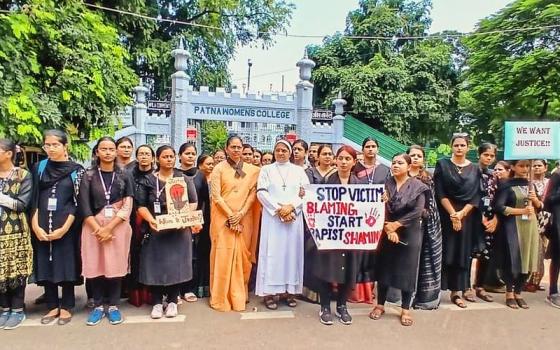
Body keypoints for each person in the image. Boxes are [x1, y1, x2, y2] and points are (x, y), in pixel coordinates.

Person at [137, 145, 200, 319]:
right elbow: (141, 205)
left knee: (176, 266)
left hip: (179, 230)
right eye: (165, 156)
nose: (169, 159)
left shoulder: (184, 178)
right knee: (156, 265)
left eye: (171, 156)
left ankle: (173, 300)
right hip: (156, 229)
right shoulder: (148, 180)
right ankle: (157, 302)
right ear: (157, 159)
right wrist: (150, 220)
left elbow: (193, 202)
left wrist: (184, 217)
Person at [31, 130, 84, 326]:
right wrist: (35, 225)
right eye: (47, 145)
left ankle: (68, 305)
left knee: (66, 263)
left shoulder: (76, 170)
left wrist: (65, 227)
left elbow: (77, 201)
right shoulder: (39, 168)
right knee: (46, 262)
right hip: (42, 223)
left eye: (55, 145)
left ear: (65, 146)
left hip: (66, 225)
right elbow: (33, 198)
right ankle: (52, 304)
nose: (51, 149)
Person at [79, 137, 134, 326]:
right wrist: (99, 229)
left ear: (116, 152)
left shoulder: (125, 175)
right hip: (93, 227)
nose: (108, 152)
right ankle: (97, 305)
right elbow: (84, 207)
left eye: (112, 149)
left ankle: (113, 306)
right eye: (104, 149)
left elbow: (128, 204)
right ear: (97, 152)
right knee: (96, 265)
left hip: (118, 227)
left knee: (115, 266)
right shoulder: (88, 176)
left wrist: (109, 228)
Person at [370, 153, 428, 326]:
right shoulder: (384, 185)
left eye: (400, 163)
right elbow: (377, 208)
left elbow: (418, 211)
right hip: (386, 230)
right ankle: (380, 305)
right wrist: (389, 227)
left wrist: (396, 225)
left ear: (409, 166)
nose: (395, 165)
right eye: (393, 163)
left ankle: (405, 309)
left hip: (409, 233)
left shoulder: (419, 186)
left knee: (407, 271)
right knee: (384, 269)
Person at [309, 145, 363, 326]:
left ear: (354, 162)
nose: (344, 162)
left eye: (348, 159)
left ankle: (342, 305)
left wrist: (380, 200)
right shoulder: (325, 183)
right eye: (341, 158)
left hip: (351, 237)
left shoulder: (361, 186)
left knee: (348, 270)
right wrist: (305, 195)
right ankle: (325, 306)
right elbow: (315, 206)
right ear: (335, 160)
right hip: (330, 236)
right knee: (327, 270)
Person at [255, 140, 309, 309]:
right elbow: (261, 192)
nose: (280, 153)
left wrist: (291, 207)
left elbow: (306, 192)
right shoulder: (266, 170)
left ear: (290, 152)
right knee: (272, 254)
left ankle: (289, 292)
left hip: (293, 218)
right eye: (277, 150)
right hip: (273, 220)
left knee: (291, 255)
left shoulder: (299, 171)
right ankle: (269, 294)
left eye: (284, 150)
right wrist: (279, 209)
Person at [209, 136, 260, 311]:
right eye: (233, 147)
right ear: (226, 148)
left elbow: (252, 195)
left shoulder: (253, 170)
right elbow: (216, 196)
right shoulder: (218, 169)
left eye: (239, 147)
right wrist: (231, 216)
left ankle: (240, 293)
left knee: (243, 257)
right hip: (223, 219)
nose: (236, 150)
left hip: (244, 219)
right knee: (223, 257)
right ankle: (221, 296)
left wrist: (241, 213)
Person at [434, 134, 480, 308]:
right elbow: (440, 192)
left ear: (468, 148)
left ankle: (456, 292)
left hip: (466, 218)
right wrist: (453, 214)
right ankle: (435, 292)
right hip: (445, 216)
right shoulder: (442, 164)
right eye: (456, 145)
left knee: (461, 254)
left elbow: (476, 195)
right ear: (451, 146)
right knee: (443, 252)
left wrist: (461, 214)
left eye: (463, 145)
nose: (459, 148)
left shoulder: (475, 169)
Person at [494, 160, 540, 309]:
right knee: (512, 259)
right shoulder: (507, 185)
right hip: (512, 226)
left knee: (527, 258)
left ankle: (519, 292)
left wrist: (536, 200)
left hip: (530, 227)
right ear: (513, 167)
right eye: (521, 166)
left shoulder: (530, 185)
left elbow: (540, 207)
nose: (525, 169)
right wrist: (521, 211)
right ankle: (509, 292)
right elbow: (499, 207)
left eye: (528, 166)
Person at [351, 137, 390, 303]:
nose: (371, 149)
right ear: (362, 150)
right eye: (367, 146)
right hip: (356, 219)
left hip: (376, 219)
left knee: (373, 254)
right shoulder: (354, 168)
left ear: (378, 149)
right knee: (356, 255)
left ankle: (369, 292)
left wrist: (387, 196)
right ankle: (354, 292)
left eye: (373, 146)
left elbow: (391, 190)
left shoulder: (385, 170)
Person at [0, 139, 33, 330]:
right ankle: (4, 308)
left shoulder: (23, 176)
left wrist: (2, 199)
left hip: (16, 230)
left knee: (16, 270)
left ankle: (18, 309)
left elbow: (22, 204)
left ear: (8, 154)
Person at [407, 145, 442, 309]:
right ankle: (401, 299)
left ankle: (422, 298)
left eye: (418, 156)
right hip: (402, 226)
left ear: (423, 159)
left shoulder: (427, 178)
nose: (415, 158)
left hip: (423, 225)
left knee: (421, 261)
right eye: (412, 155)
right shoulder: (399, 175)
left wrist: (424, 214)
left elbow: (432, 202)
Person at [302, 144, 336, 304]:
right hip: (312, 220)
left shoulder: (337, 174)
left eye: (330, 154)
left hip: (331, 222)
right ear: (318, 156)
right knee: (311, 254)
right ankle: (309, 292)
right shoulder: (308, 173)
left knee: (328, 258)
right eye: (324, 154)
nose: (327, 156)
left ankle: (328, 291)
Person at [178, 143, 211, 300]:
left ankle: (189, 288)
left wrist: (199, 221)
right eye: (187, 153)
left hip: (196, 223)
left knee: (193, 256)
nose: (190, 156)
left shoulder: (200, 176)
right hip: (177, 222)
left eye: (193, 153)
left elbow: (205, 201)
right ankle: (175, 291)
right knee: (177, 255)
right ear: (180, 156)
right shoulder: (174, 175)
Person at [472, 143, 501, 302]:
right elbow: (469, 195)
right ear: (479, 154)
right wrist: (480, 214)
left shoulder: (494, 176)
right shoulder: (470, 171)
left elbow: (498, 199)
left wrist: (495, 218)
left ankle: (480, 286)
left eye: (491, 156)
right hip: (472, 216)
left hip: (490, 219)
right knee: (469, 253)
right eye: (486, 155)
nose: (488, 158)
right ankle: (465, 288)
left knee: (485, 254)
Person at [127, 145, 155, 307]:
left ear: (153, 158)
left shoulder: (157, 175)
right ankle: (135, 293)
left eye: (147, 154)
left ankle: (152, 293)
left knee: (152, 257)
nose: (144, 157)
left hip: (154, 219)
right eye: (141, 154)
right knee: (136, 256)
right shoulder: (128, 174)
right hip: (133, 219)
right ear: (137, 157)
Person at [525, 159, 551, 292]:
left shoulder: (549, 183)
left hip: (547, 220)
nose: (536, 168)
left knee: (542, 250)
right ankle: (528, 281)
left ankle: (536, 280)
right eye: (534, 166)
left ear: (545, 167)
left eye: (539, 165)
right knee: (533, 249)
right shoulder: (527, 182)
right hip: (531, 218)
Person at [545, 171, 560, 307]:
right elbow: (547, 200)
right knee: (557, 259)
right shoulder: (557, 175)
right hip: (558, 224)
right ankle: (553, 292)